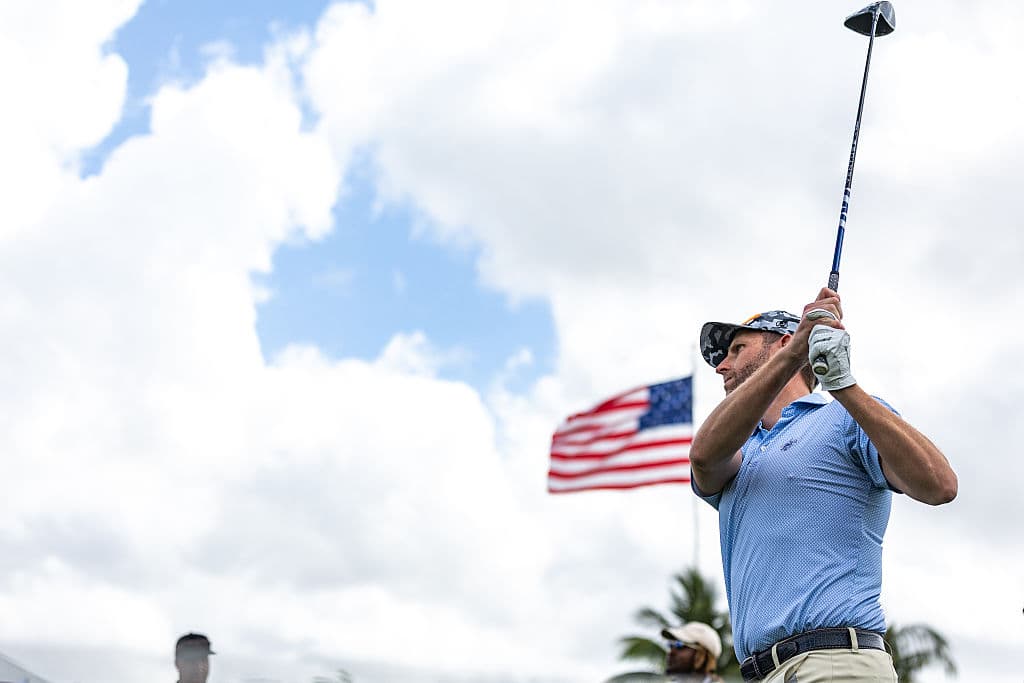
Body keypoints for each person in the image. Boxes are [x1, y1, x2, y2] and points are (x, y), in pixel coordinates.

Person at [689, 288, 957, 683]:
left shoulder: (842, 419)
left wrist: (844, 386)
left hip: (834, 664)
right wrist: (796, 353)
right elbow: (703, 458)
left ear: (782, 341)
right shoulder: (737, 451)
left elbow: (939, 485)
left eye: (737, 349)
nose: (721, 366)